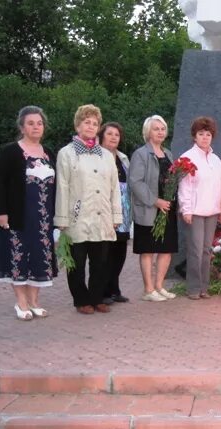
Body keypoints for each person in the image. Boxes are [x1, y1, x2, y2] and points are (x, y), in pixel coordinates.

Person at [54, 104, 122, 314]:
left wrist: (116, 213)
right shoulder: (66, 153)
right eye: (87, 122)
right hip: (77, 217)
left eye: (95, 123)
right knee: (77, 262)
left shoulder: (106, 155)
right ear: (78, 126)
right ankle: (81, 299)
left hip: (102, 216)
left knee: (100, 262)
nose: (91, 126)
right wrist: (62, 218)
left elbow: (114, 187)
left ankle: (96, 296)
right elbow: (62, 186)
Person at [0, 106, 57, 320]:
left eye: (39, 123)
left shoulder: (49, 153)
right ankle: (21, 302)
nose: (36, 127)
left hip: (43, 220)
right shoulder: (11, 152)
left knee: (40, 257)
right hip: (18, 217)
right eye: (31, 123)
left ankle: (34, 301)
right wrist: (1, 212)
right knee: (18, 258)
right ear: (22, 126)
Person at [129, 115, 179, 302]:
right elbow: (136, 182)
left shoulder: (168, 154)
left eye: (162, 129)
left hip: (167, 209)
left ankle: (159, 286)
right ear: (147, 132)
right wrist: (155, 201)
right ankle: (148, 290)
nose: (160, 132)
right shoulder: (140, 154)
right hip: (150, 209)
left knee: (166, 249)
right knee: (148, 249)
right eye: (156, 128)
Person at [178, 116, 221, 300]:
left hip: (212, 211)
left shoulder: (216, 160)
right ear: (194, 136)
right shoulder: (187, 158)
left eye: (208, 134)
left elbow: (219, 186)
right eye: (201, 134)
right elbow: (184, 186)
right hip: (195, 212)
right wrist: (186, 209)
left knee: (206, 251)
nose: (205, 137)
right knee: (195, 251)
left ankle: (205, 288)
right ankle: (193, 288)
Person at [97, 122, 131, 304]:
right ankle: (102, 291)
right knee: (105, 253)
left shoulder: (123, 158)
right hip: (105, 210)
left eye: (116, 135)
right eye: (109, 134)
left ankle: (114, 289)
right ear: (101, 136)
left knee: (119, 253)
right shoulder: (97, 156)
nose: (113, 137)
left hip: (124, 213)